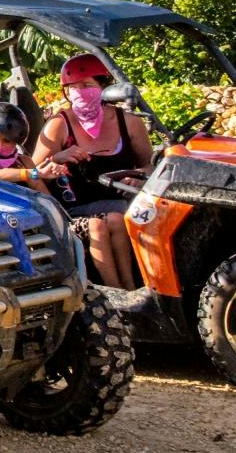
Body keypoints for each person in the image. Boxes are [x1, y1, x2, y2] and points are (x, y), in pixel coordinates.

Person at [34, 54, 153, 288]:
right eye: (72, 88)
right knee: (117, 215)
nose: (79, 93)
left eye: (87, 86)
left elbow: (150, 165)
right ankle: (117, 291)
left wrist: (139, 177)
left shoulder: (128, 122)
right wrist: (58, 157)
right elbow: (34, 172)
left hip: (122, 201)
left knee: (125, 216)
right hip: (76, 207)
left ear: (104, 88)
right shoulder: (59, 125)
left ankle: (136, 287)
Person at [0, 102, 71, 192]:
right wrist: (35, 173)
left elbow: (43, 194)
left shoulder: (25, 161)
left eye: (7, 141)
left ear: (17, 140)